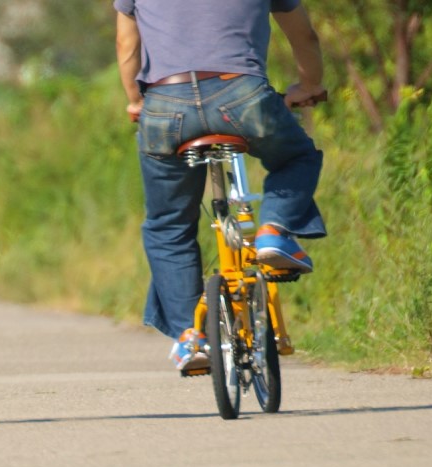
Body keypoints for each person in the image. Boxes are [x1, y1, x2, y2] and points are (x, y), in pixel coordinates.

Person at [114, 0, 327, 375]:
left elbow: (126, 44)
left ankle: (191, 336)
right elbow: (303, 34)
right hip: (240, 94)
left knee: (168, 225)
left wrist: (135, 100)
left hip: (165, 102)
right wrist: (309, 85)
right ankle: (273, 232)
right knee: (298, 157)